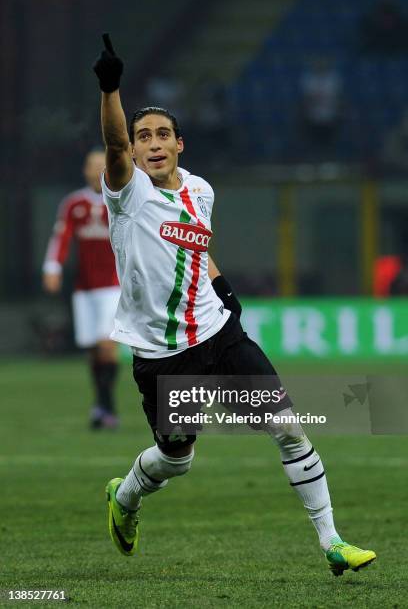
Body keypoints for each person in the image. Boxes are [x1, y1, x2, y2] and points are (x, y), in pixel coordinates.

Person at [93, 34, 376, 575]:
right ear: (131, 150)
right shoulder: (125, 194)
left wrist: (222, 289)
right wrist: (111, 90)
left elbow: (196, 249)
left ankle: (332, 542)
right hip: (161, 353)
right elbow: (109, 143)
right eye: (141, 136)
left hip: (219, 334)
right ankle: (124, 497)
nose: (151, 143)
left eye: (162, 135)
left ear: (180, 145)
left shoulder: (201, 190)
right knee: (177, 459)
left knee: (289, 427)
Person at [43, 149, 121, 429]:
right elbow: (61, 237)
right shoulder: (74, 203)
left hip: (114, 285)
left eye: (103, 165)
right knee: (92, 350)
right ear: (85, 170)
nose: (97, 170)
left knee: (106, 346)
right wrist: (52, 267)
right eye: (92, 165)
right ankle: (101, 404)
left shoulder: (122, 199)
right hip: (84, 287)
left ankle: (107, 408)